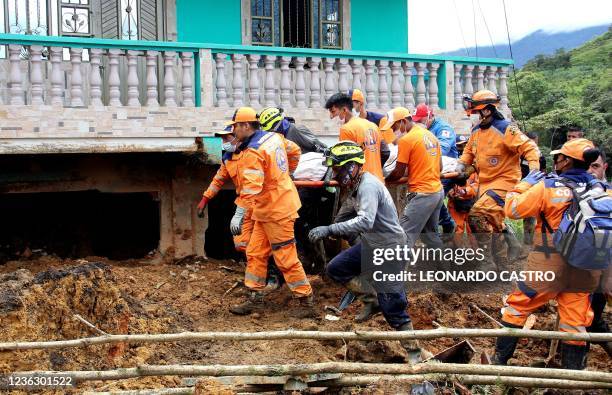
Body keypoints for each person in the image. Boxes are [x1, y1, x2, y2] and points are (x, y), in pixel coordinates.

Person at [307, 142, 427, 363]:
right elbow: (344, 216)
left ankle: (414, 352)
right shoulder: (354, 187)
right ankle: (371, 300)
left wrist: (330, 229)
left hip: (391, 247)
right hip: (373, 244)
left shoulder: (368, 186)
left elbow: (365, 220)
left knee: (393, 304)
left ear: (351, 167)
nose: (335, 174)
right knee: (337, 268)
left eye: (338, 169)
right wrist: (336, 227)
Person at [496, 138, 604, 369]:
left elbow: (512, 210)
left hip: (548, 260)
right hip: (586, 264)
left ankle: (498, 366)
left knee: (517, 307)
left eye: (558, 157)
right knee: (575, 322)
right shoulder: (603, 191)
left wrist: (523, 184)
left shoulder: (549, 187)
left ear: (566, 161)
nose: (556, 160)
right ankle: (571, 379)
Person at [223, 107, 315, 318]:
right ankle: (255, 298)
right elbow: (294, 151)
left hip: (276, 210)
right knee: (255, 253)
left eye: (235, 126)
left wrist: (238, 214)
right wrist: (287, 174)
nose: (233, 131)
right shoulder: (274, 137)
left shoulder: (253, 152)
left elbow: (250, 188)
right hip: (269, 208)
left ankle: (305, 301)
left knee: (285, 257)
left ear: (245, 125)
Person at [196, 125, 292, 290]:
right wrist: (205, 199)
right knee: (242, 243)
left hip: (265, 203)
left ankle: (273, 275)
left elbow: (292, 152)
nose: (224, 142)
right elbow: (218, 180)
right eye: (222, 139)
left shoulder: (252, 152)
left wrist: (287, 174)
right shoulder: (228, 158)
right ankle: (261, 274)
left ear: (237, 136)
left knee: (269, 245)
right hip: (246, 205)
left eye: (226, 138)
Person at [458, 90, 541, 267]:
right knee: (492, 222)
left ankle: (486, 262)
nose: (473, 116)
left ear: (486, 111)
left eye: (475, 112)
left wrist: (534, 170)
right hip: (485, 184)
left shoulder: (506, 129)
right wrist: (459, 167)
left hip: (505, 181)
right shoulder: (476, 131)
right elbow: (468, 154)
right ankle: (503, 262)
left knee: (477, 215)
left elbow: (530, 148)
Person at [383, 107, 444, 250]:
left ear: (403, 121)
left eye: (394, 126)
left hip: (422, 194)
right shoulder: (430, 136)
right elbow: (439, 167)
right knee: (431, 237)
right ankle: (446, 270)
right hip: (437, 192)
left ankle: (397, 272)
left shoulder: (407, 140)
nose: (393, 130)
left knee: (402, 237)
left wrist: (385, 181)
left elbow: (398, 172)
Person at [412, 104, 458, 236]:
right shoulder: (421, 130)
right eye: (416, 121)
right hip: (430, 169)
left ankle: (444, 226)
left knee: (430, 197)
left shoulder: (443, 128)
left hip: (448, 171)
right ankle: (446, 224)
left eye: (420, 121)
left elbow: (442, 149)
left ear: (429, 117)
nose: (417, 123)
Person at [587, 150, 612, 358]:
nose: (591, 171)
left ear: (604, 167)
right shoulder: (576, 196)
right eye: (587, 166)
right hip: (584, 269)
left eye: (595, 166)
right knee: (586, 317)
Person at [447, 136, 478, 243]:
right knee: (457, 229)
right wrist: (450, 192)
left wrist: (465, 191)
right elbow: (446, 183)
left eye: (464, 144)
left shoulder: (475, 166)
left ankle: (477, 255)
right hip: (455, 203)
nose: (462, 147)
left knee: (474, 231)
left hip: (472, 203)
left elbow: (478, 185)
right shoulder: (452, 164)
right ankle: (456, 254)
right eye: (459, 145)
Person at [257, 107, 327, 154]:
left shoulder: (296, 129)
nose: (270, 133)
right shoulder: (279, 137)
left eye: (270, 130)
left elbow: (317, 145)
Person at [520, 132, 547, 247]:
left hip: (537, 189)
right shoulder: (519, 155)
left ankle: (535, 240)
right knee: (527, 215)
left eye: (534, 142)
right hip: (522, 188)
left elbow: (544, 173)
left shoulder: (541, 158)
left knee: (537, 215)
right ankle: (527, 241)